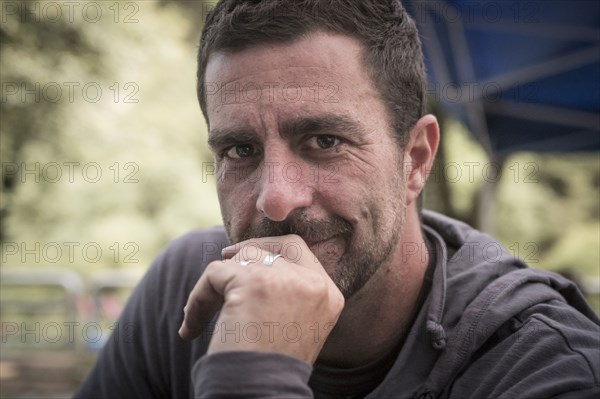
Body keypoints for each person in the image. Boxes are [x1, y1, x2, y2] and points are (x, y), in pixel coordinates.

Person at [75, 1, 600, 398]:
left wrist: (251, 375)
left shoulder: (543, 366)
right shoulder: (184, 288)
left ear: (415, 158)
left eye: (325, 141)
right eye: (241, 149)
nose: (276, 200)